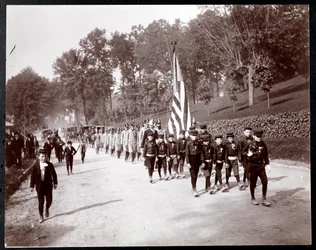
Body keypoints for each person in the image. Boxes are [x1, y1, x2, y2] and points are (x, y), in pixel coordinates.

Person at [30, 149, 58, 223]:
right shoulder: (36, 165)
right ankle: (41, 215)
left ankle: (47, 208)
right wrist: (32, 186)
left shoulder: (50, 165)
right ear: (38, 157)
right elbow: (33, 176)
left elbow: (54, 174)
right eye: (42, 157)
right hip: (39, 186)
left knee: (49, 200)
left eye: (45, 156)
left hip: (48, 186)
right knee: (41, 201)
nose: (44, 158)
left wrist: (55, 183)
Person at [247, 128, 271, 206]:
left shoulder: (263, 144)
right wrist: (249, 155)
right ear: (253, 136)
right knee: (253, 183)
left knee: (265, 182)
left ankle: (264, 199)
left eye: (260, 136)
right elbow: (247, 156)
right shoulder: (250, 144)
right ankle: (253, 198)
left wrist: (267, 164)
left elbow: (266, 155)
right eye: (257, 136)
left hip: (261, 166)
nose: (259, 138)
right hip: (253, 166)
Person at [185, 129, 202, 197]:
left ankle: (193, 187)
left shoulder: (198, 143)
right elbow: (187, 154)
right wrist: (188, 162)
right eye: (193, 135)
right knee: (193, 175)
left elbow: (200, 153)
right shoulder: (188, 143)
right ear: (190, 136)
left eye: (195, 135)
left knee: (196, 174)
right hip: (191, 160)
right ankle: (194, 188)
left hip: (197, 160)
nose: (194, 137)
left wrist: (201, 161)